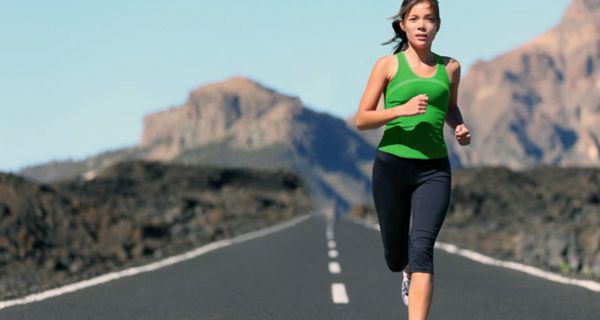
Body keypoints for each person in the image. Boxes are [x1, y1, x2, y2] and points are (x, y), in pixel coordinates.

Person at [354, 0, 471, 319]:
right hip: (392, 166)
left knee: (422, 249)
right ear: (403, 24)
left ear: (438, 25)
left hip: (434, 170)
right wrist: (399, 110)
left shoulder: (451, 68)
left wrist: (458, 126)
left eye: (429, 19)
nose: (422, 25)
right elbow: (362, 119)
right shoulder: (388, 66)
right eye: (415, 18)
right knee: (396, 255)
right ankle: (403, 270)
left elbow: (449, 107)